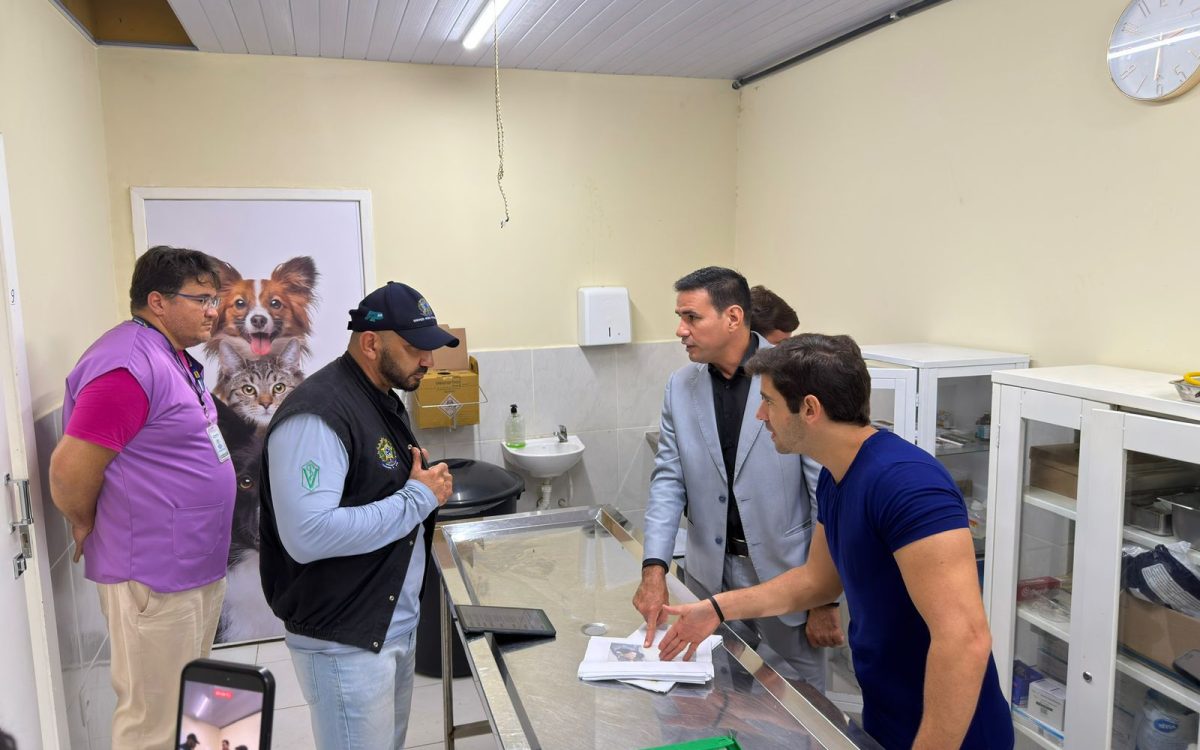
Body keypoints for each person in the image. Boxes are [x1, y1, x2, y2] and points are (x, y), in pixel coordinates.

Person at [657, 334, 1013, 749]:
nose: (760, 414)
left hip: (952, 733)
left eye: (768, 401)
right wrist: (716, 609)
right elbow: (817, 582)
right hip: (887, 716)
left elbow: (964, 638)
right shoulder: (836, 474)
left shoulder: (907, 484)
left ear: (809, 409)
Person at [49, 246, 236, 749]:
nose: (212, 310)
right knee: (154, 722)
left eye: (214, 298)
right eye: (200, 299)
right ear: (156, 301)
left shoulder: (168, 354)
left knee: (187, 706)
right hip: (153, 575)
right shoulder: (127, 366)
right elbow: (69, 470)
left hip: (190, 565)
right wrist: (84, 520)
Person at [259, 281, 456, 750]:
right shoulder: (319, 415)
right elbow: (309, 534)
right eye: (415, 348)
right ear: (371, 342)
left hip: (386, 626)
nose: (427, 360)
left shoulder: (377, 396)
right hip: (343, 639)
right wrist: (418, 498)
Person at [633, 266, 841, 691]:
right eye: (680, 317)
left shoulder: (792, 378)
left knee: (804, 705)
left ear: (732, 318)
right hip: (709, 575)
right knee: (720, 696)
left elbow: (826, 494)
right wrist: (654, 569)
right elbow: (668, 479)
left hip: (788, 577)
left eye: (692, 317)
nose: (680, 330)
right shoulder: (680, 386)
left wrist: (826, 597)